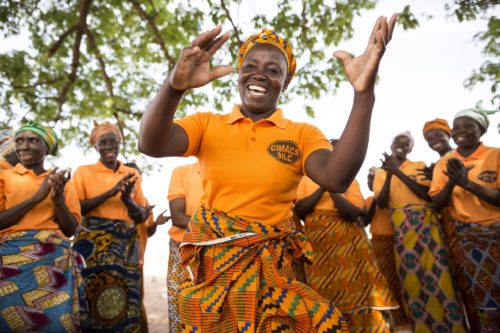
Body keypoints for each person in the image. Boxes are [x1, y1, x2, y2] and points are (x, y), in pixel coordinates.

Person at [139, 15, 397, 331]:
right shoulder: (207, 125)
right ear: (238, 74)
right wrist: (173, 87)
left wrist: (363, 93)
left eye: (273, 70)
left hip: (273, 272)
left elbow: (336, 177)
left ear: (285, 83)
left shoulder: (302, 134)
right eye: (250, 66)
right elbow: (150, 142)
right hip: (213, 276)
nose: (259, 74)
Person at [295, 147, 398, 332]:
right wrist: (322, 184)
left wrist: (332, 187)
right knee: (324, 293)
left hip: (349, 243)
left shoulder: (349, 181)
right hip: (319, 246)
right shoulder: (304, 179)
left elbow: (352, 213)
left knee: (362, 289)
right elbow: (301, 211)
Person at [375, 131, 466, 332]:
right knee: (411, 279)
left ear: (411, 148)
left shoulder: (419, 165)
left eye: (406, 143)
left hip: (427, 224)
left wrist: (398, 172)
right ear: (390, 145)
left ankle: (454, 327)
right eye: (397, 141)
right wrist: (390, 173)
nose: (401, 145)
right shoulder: (381, 173)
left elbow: (426, 194)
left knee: (439, 272)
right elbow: (381, 202)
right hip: (402, 228)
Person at [0, 121, 83, 332]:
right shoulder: (4, 177)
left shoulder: (63, 182)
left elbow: (70, 230)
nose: (24, 146)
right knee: (9, 320)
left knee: (56, 321)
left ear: (47, 147)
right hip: (11, 262)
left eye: (32, 140)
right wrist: (38, 197)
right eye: (19, 141)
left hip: (53, 262)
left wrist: (58, 199)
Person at [72, 121, 150, 332]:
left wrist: (127, 200)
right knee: (90, 295)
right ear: (95, 146)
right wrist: (110, 192)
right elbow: (77, 207)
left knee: (125, 297)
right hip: (92, 246)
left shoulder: (131, 174)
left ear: (120, 143)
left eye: (113, 142)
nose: (109, 146)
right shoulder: (83, 172)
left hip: (124, 247)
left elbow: (142, 215)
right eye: (103, 142)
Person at [430, 108, 500, 332]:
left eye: (468, 126)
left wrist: (468, 184)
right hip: (470, 241)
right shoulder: (445, 163)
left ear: (481, 129)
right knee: (486, 298)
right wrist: (453, 182)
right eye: (456, 127)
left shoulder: (495, 155)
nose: (460, 131)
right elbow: (437, 204)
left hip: (497, 232)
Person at [124, 161, 171, 333]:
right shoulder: (118, 199)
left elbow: (147, 231)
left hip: (137, 260)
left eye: (136, 178)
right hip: (116, 259)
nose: (134, 181)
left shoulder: (144, 202)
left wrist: (156, 223)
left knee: (136, 302)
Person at [364, 167, 410, 332]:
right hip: (380, 243)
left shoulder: (393, 197)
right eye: (369, 181)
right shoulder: (369, 200)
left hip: (399, 239)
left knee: (404, 279)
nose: (370, 183)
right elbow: (364, 220)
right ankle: (396, 322)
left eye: (374, 180)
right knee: (388, 282)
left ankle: (408, 319)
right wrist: (376, 198)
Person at [166, 161, 202, 332]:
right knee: (181, 308)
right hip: (183, 250)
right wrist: (218, 228)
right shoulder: (181, 172)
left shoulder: (231, 174)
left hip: (222, 251)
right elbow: (178, 218)